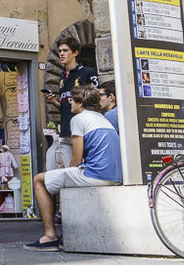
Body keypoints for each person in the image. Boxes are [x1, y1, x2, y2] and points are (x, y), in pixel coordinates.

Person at [25, 86, 122, 251]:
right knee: (58, 178)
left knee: (38, 180)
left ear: (80, 103)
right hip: (113, 177)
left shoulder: (78, 119)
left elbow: (76, 159)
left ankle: (50, 236)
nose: (69, 102)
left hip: (95, 175)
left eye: (72, 99)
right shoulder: (103, 118)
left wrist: (66, 172)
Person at [41, 36, 98, 171]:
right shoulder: (62, 77)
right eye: (60, 51)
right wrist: (53, 101)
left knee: (85, 171)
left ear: (75, 53)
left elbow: (95, 102)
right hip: (65, 132)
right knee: (69, 172)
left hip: (82, 131)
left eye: (65, 50)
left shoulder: (87, 73)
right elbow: (66, 107)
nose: (61, 54)